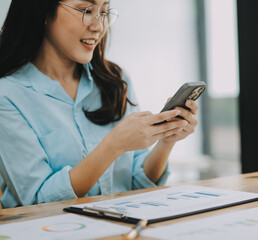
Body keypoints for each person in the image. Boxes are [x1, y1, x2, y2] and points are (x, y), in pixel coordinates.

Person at [0, 0, 199, 208]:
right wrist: (114, 145)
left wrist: (167, 139)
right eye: (86, 10)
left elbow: (138, 183)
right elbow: (37, 201)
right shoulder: (7, 96)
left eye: (104, 12)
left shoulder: (116, 81)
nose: (99, 26)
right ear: (43, 12)